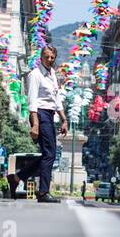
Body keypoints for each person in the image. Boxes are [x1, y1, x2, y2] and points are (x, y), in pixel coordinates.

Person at [28, 45, 68, 203]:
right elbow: (32, 102)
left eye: (52, 57)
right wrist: (35, 124)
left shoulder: (52, 74)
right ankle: (43, 192)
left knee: (48, 154)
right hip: (39, 114)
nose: (50, 60)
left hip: (49, 115)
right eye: (47, 57)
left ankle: (17, 177)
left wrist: (64, 119)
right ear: (41, 57)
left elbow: (56, 100)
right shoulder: (35, 75)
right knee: (50, 153)